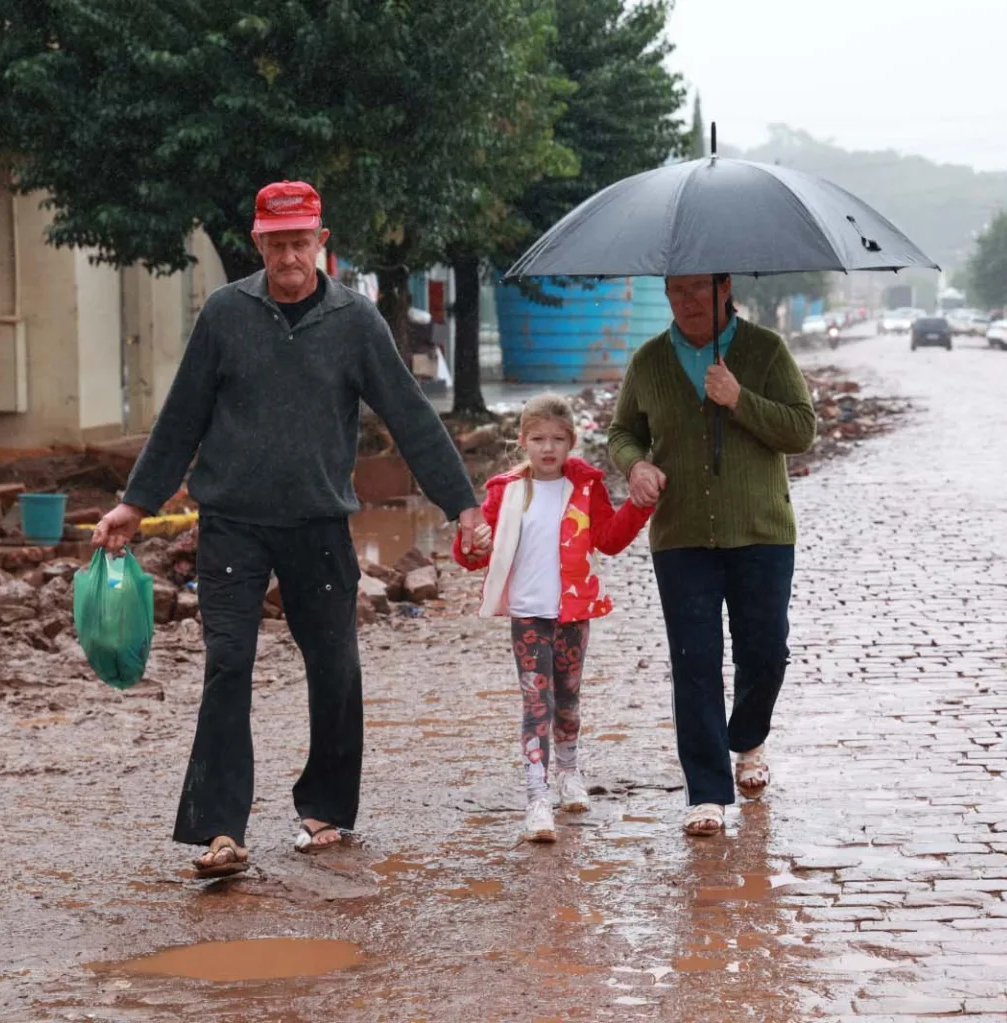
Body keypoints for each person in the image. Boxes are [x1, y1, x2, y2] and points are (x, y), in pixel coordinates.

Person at [93, 180, 485, 877]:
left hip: (318, 524)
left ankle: (326, 807)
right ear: (259, 243)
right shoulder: (225, 314)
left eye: (301, 241)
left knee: (334, 665)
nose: (289, 256)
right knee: (229, 664)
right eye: (277, 243)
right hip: (233, 524)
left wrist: (464, 505)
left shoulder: (355, 322)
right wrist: (137, 501)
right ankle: (221, 831)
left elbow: (411, 417)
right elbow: (182, 414)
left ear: (321, 243)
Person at [607, 274, 816, 838]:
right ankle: (706, 792)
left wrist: (739, 398)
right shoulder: (650, 361)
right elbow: (621, 431)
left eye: (700, 288)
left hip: (761, 530)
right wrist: (635, 465)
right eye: (677, 290)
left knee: (766, 651)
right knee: (694, 663)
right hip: (681, 536)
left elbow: (802, 429)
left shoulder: (766, 350)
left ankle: (748, 737)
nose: (688, 300)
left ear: (726, 287)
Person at [453, 394, 652, 843]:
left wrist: (639, 506)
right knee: (535, 705)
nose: (548, 448)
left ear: (571, 442)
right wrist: (472, 543)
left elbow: (609, 538)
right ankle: (537, 796)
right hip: (527, 615)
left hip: (572, 615)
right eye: (538, 439)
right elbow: (472, 553)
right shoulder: (506, 492)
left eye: (558, 440)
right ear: (522, 441)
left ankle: (568, 771)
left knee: (568, 699)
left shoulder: (585, 488)